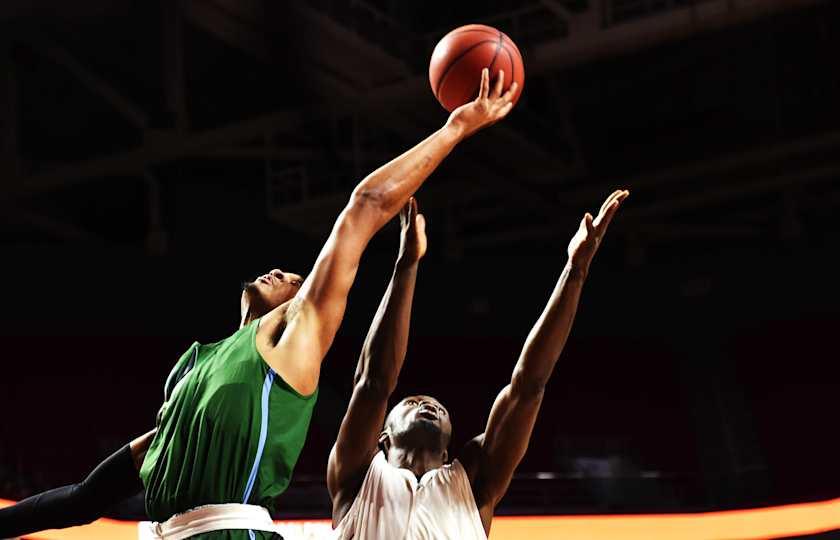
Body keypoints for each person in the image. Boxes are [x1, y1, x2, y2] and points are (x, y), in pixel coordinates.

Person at [0, 68, 517, 540]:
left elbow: (366, 205)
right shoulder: (191, 372)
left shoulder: (295, 334)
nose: (285, 274)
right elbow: (85, 498)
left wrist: (455, 128)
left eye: (298, 280)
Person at [329, 189, 629, 539]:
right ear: (382, 439)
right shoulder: (358, 476)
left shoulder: (472, 483)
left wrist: (575, 272)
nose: (428, 405)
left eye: (438, 407)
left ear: (447, 451)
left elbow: (528, 387)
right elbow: (373, 382)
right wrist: (406, 265)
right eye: (412, 402)